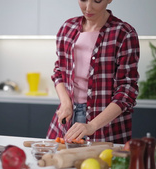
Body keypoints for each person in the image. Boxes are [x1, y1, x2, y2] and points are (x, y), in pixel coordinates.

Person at [46, 0, 140, 144]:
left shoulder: (124, 34)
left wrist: (92, 126)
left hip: (105, 125)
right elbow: (59, 71)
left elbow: (126, 91)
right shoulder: (67, 28)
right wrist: (66, 103)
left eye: (97, 1)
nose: (88, 8)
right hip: (67, 119)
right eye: (83, 0)